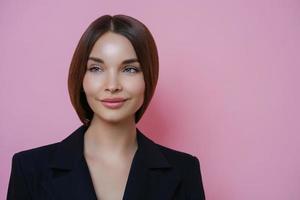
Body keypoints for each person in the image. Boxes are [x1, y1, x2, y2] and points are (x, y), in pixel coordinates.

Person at [7, 14, 205, 200]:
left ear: (148, 79)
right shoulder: (29, 169)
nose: (112, 85)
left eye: (129, 69)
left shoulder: (185, 170)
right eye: (96, 68)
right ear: (81, 79)